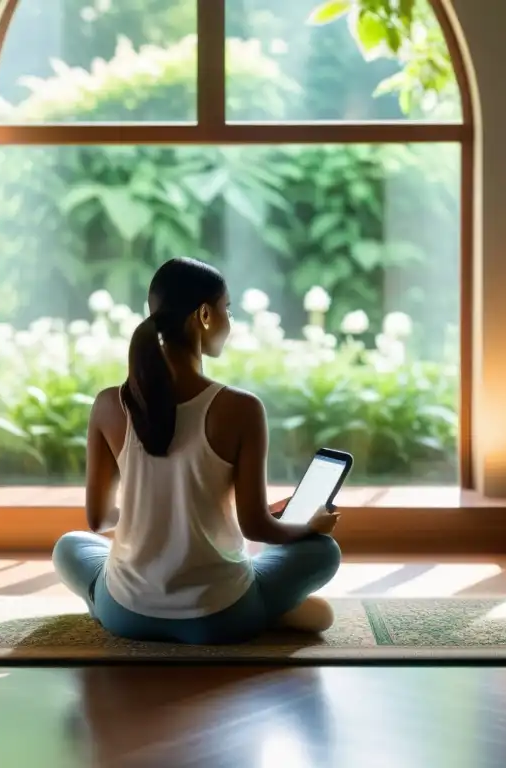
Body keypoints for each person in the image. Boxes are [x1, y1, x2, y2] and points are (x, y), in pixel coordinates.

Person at [52, 257, 342, 645]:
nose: (230, 321)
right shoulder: (241, 408)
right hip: (219, 617)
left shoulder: (108, 404)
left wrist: (154, 517)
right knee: (324, 552)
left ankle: (105, 607)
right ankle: (268, 611)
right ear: (204, 315)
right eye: (228, 310)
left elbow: (98, 518)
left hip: (126, 613)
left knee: (68, 546)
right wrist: (309, 526)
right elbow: (257, 527)